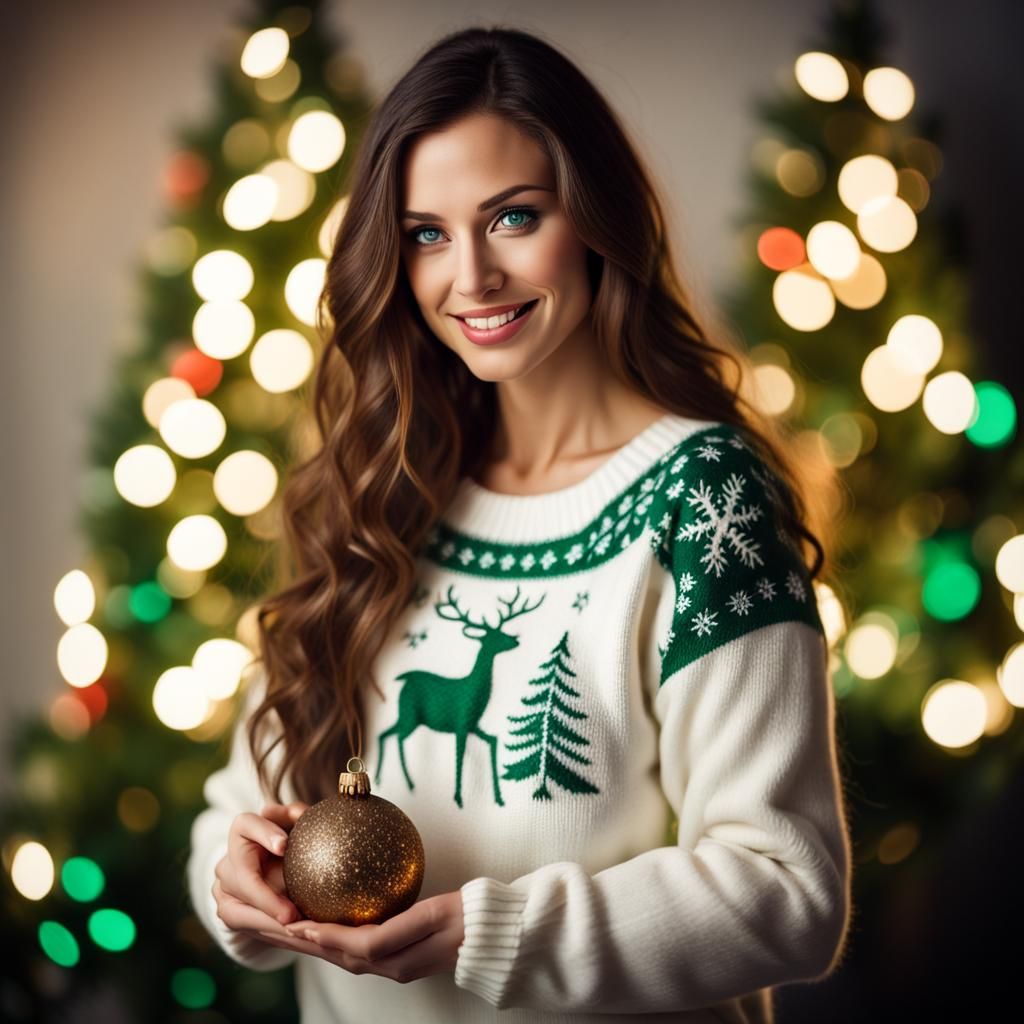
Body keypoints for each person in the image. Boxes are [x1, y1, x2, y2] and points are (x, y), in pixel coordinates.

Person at [187, 23, 852, 1023]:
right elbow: (236, 811)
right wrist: (239, 883)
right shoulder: (384, 490)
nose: (471, 278)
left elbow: (787, 894)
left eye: (511, 218)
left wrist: (492, 933)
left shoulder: (705, 499)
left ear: (593, 218)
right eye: (425, 234)